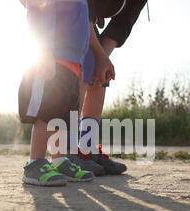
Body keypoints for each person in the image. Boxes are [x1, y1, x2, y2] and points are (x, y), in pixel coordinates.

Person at [67, 0, 149, 176]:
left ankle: (86, 149)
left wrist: (102, 58)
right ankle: (68, 150)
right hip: (62, 9)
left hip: (87, 16)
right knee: (83, 65)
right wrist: (97, 56)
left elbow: (122, 24)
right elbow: (83, 9)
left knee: (98, 71)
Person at [18, 0, 95, 186]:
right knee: (46, 112)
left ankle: (59, 161)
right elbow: (39, 9)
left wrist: (79, 63)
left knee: (62, 118)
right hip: (53, 59)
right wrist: (44, 51)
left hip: (73, 63)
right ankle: (34, 163)